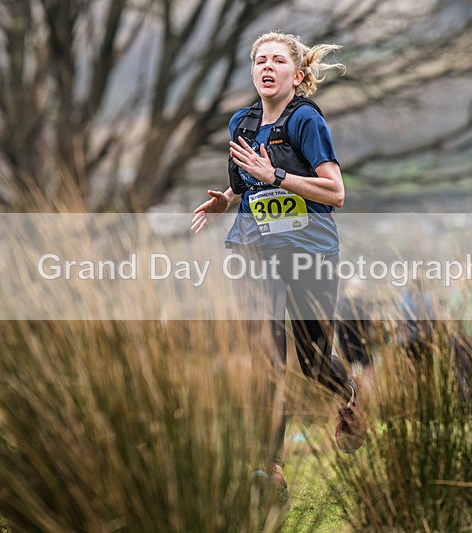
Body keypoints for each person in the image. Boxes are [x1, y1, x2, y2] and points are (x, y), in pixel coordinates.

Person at [191, 31, 365, 498]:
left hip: (309, 251)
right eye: (260, 61)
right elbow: (247, 182)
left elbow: (336, 192)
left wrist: (279, 177)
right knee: (266, 359)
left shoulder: (306, 120)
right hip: (253, 249)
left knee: (310, 361)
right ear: (253, 73)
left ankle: (349, 394)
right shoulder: (240, 124)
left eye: (277, 61)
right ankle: (271, 470)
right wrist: (226, 199)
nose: (267, 67)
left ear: (298, 75)